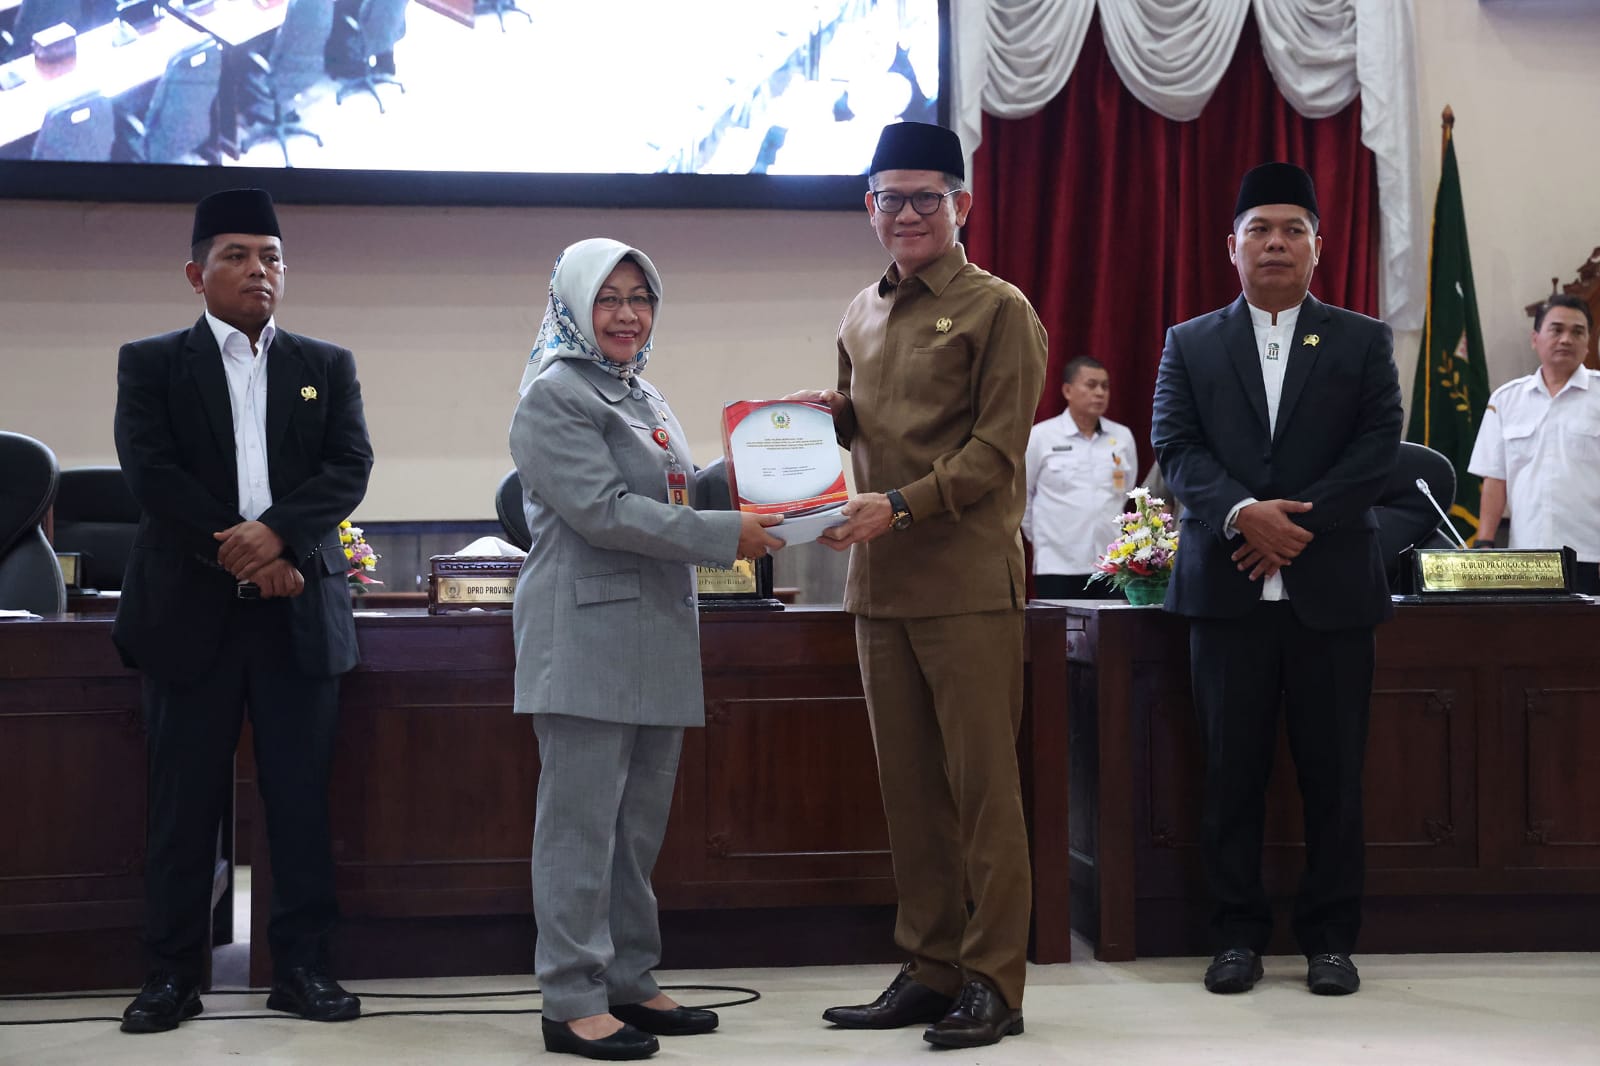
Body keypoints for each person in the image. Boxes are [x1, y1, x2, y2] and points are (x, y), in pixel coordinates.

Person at [789, 121, 1047, 1050]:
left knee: (983, 792)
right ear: (868, 208)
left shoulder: (998, 309)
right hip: (879, 583)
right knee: (909, 793)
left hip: (967, 581)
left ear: (961, 206)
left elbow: (994, 449)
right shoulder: (859, 310)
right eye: (888, 198)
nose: (905, 214)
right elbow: (878, 417)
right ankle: (932, 968)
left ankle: (995, 982)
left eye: (924, 198)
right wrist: (836, 411)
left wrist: (898, 506)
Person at [510, 238, 783, 1062]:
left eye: (642, 298)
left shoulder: (640, 393)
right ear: (573, 303)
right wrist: (725, 530)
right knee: (579, 831)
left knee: (634, 832)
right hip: (585, 635)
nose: (628, 314)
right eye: (609, 298)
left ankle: (629, 977)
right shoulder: (554, 395)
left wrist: (764, 453)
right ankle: (569, 998)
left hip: (656, 633)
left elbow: (672, 495)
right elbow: (603, 512)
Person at [113, 189, 374, 1033]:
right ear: (196, 273)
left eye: (271, 258)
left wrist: (282, 544)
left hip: (297, 609)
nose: (257, 270)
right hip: (189, 610)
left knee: (300, 801)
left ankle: (301, 969)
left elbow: (348, 467)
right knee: (184, 803)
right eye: (236, 255)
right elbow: (152, 475)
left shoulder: (324, 364)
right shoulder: (150, 362)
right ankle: (170, 975)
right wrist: (244, 549)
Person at [1151, 162, 1403, 998]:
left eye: (1293, 229)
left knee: (1334, 777)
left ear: (1319, 248)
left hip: (1331, 594)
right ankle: (1235, 938)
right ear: (1232, 246)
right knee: (1230, 774)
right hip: (1225, 596)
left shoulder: (1363, 339)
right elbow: (1177, 448)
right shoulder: (1190, 341)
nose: (1276, 243)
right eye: (1259, 228)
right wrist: (1240, 515)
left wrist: (1287, 528)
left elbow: (1377, 452)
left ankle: (1330, 941)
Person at [1467, 294, 1600, 592]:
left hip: (1593, 554)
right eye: (1556, 329)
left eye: (1577, 331)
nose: (1566, 339)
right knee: (1533, 638)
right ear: (1535, 338)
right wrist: (1485, 542)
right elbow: (1495, 478)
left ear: (1589, 341)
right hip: (1526, 557)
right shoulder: (1506, 399)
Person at [1022, 356, 1137, 598]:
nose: (1099, 393)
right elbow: (1022, 497)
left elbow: (1127, 492)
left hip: (1111, 564)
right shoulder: (1041, 437)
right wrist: (1045, 538)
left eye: (1105, 386)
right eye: (1091, 385)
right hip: (1057, 564)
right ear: (1067, 390)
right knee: (1060, 635)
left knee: (1113, 635)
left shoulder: (1122, 437)